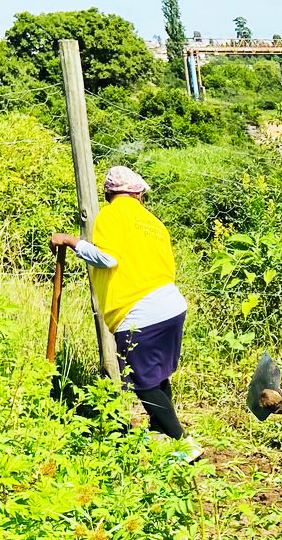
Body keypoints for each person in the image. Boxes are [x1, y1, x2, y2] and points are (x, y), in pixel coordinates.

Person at [49, 165, 200, 461]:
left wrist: (71, 241)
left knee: (144, 382)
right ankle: (159, 425)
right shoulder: (153, 222)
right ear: (139, 193)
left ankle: (183, 443)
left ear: (108, 193)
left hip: (139, 311)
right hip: (171, 304)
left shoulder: (110, 215)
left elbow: (107, 259)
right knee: (157, 376)